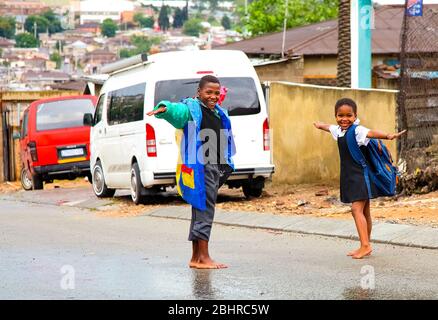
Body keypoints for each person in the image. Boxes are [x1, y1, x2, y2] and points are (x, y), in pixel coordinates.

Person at [147, 75, 235, 269]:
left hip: (212, 166)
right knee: (205, 209)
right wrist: (166, 109)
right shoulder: (194, 109)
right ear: (199, 92)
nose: (212, 96)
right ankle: (204, 257)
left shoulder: (216, 111)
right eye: (208, 92)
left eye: (216, 93)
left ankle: (196, 257)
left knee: (199, 209)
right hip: (202, 165)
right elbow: (180, 111)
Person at [313, 98, 406, 259]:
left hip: (360, 177)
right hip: (350, 176)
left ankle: (365, 245)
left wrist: (388, 135)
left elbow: (371, 132)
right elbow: (330, 128)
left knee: (356, 210)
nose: (344, 119)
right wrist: (321, 125)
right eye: (340, 115)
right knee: (365, 211)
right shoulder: (339, 131)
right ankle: (365, 244)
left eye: (349, 115)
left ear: (355, 116)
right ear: (335, 116)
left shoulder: (357, 131)